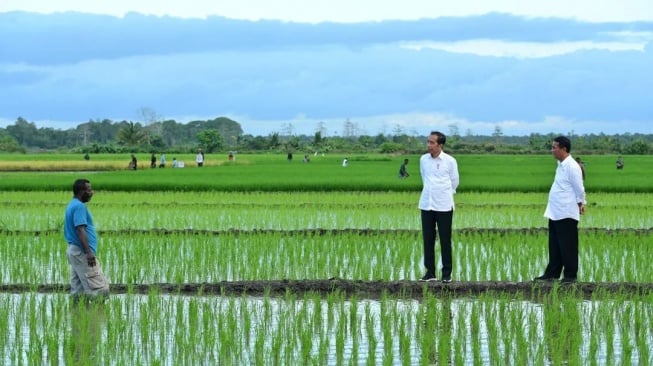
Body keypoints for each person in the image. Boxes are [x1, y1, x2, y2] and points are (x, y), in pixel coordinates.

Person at [534, 136, 586, 284]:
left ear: (564, 149)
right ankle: (552, 273)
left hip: (566, 212)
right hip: (555, 212)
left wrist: (581, 203)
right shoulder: (561, 164)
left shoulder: (572, 166)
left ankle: (570, 276)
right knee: (555, 245)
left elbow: (579, 188)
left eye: (554, 147)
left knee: (567, 245)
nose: (552, 150)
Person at [418, 131, 459, 283]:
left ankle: (446, 273)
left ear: (440, 145)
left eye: (432, 142)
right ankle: (430, 272)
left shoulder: (450, 161)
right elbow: (424, 178)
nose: (429, 145)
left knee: (445, 239)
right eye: (428, 142)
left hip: (444, 205)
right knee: (427, 239)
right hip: (426, 204)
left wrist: (443, 193)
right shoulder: (423, 160)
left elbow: (455, 181)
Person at [64, 179, 109, 304]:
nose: (91, 192)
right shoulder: (79, 206)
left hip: (75, 251)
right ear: (81, 191)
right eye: (89, 190)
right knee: (98, 291)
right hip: (82, 252)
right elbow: (80, 229)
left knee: (79, 292)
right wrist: (88, 252)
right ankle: (97, 319)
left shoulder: (72, 204)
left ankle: (78, 318)